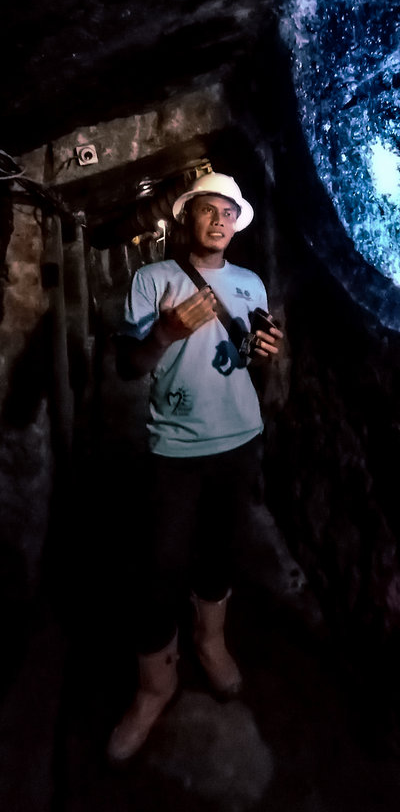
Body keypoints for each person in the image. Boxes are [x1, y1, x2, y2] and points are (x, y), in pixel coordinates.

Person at [106, 172, 283, 764]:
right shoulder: (151, 279)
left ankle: (211, 644)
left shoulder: (250, 283)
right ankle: (154, 686)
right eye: (207, 211)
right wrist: (167, 331)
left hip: (240, 441)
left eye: (227, 213)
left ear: (237, 223)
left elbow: (246, 364)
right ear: (188, 219)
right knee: (159, 568)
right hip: (175, 450)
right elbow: (129, 367)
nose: (218, 221)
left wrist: (262, 354)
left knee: (219, 554)